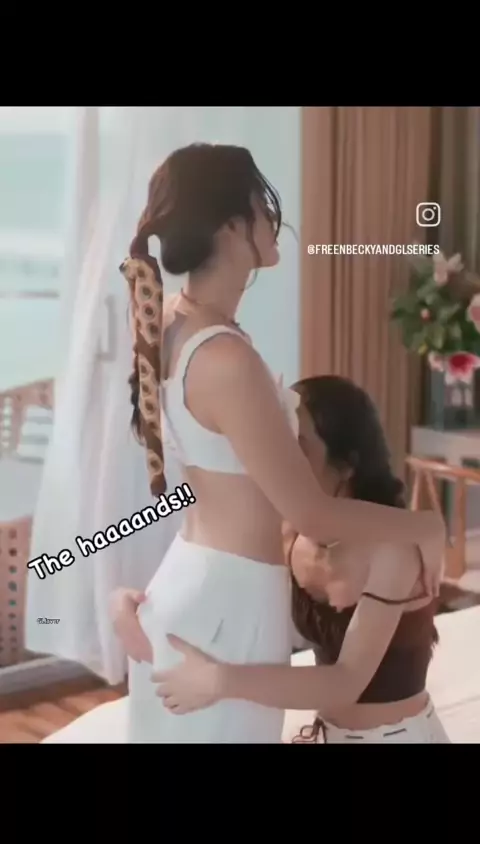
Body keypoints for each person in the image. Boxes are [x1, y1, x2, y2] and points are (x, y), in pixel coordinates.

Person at [47, 142, 444, 744]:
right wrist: (423, 527)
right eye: (264, 203)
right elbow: (311, 513)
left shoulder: (178, 326)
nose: (274, 218)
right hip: (226, 606)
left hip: (198, 589)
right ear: (233, 226)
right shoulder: (224, 356)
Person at [118, 376, 449, 743]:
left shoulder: (393, 551)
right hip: (327, 735)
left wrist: (221, 680)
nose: (280, 461)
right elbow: (210, 570)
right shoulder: (289, 535)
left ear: (347, 464)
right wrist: (135, 604)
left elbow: (345, 682)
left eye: (298, 446)